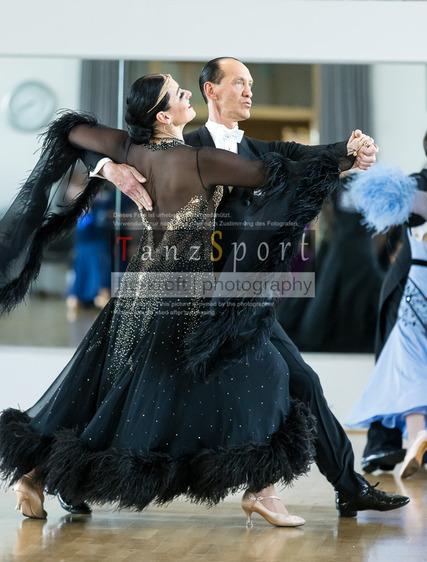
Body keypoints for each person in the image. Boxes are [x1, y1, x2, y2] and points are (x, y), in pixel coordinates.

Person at [0, 72, 362, 526]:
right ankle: (262, 488)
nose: (187, 93)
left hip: (137, 293)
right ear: (164, 116)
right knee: (263, 371)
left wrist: (108, 166)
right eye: (178, 93)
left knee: (108, 391)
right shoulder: (199, 160)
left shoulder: (132, 150)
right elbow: (275, 173)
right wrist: (344, 158)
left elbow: (72, 130)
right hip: (181, 299)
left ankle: (36, 475)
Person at [89, 57, 409, 519]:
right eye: (239, 82)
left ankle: (343, 485)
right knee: (134, 393)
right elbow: (89, 142)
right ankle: (66, 475)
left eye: (251, 83)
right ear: (211, 91)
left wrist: (351, 151)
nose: (248, 91)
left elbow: (305, 157)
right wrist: (107, 168)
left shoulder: (261, 150)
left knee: (301, 381)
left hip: (244, 298)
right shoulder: (179, 147)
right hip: (185, 302)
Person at [346, 165, 427, 479]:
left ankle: (413, 436)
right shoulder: (414, 190)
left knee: (406, 364)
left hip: (416, 287)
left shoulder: (412, 192)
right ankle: (399, 442)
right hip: (413, 284)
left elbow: (374, 203)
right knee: (408, 363)